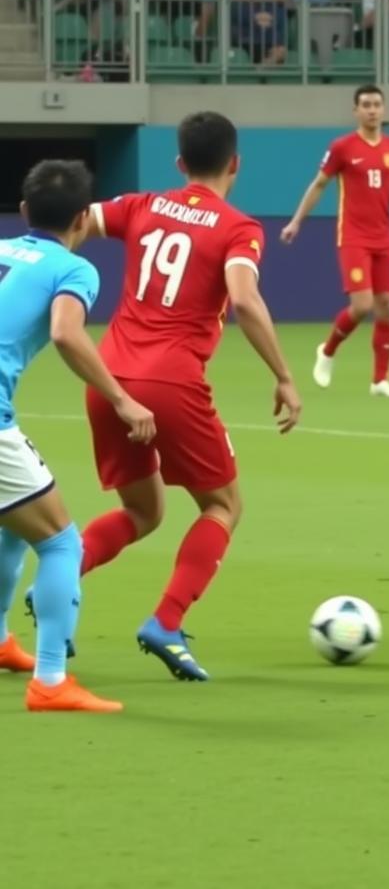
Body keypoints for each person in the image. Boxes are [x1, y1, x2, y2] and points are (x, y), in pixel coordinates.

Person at [68, 112, 301, 682]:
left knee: (143, 511)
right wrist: (284, 375)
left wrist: (60, 271)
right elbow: (244, 301)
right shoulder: (239, 227)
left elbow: (80, 220)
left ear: (179, 164)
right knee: (223, 506)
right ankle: (166, 622)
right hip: (171, 383)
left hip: (108, 379)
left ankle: (59, 580)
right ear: (235, 164)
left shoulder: (143, 204)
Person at [0, 160, 156, 712]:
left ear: (23, 212)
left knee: (14, 525)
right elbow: (67, 333)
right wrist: (122, 397)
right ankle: (50, 681)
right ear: (84, 219)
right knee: (61, 542)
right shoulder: (73, 268)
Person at [281, 85, 389, 397]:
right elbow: (319, 185)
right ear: (355, 111)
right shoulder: (343, 147)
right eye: (366, 105)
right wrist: (296, 222)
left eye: (376, 104)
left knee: (386, 306)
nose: (372, 110)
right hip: (353, 237)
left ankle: (380, 381)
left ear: (384, 110)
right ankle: (328, 351)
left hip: (384, 237)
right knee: (362, 305)